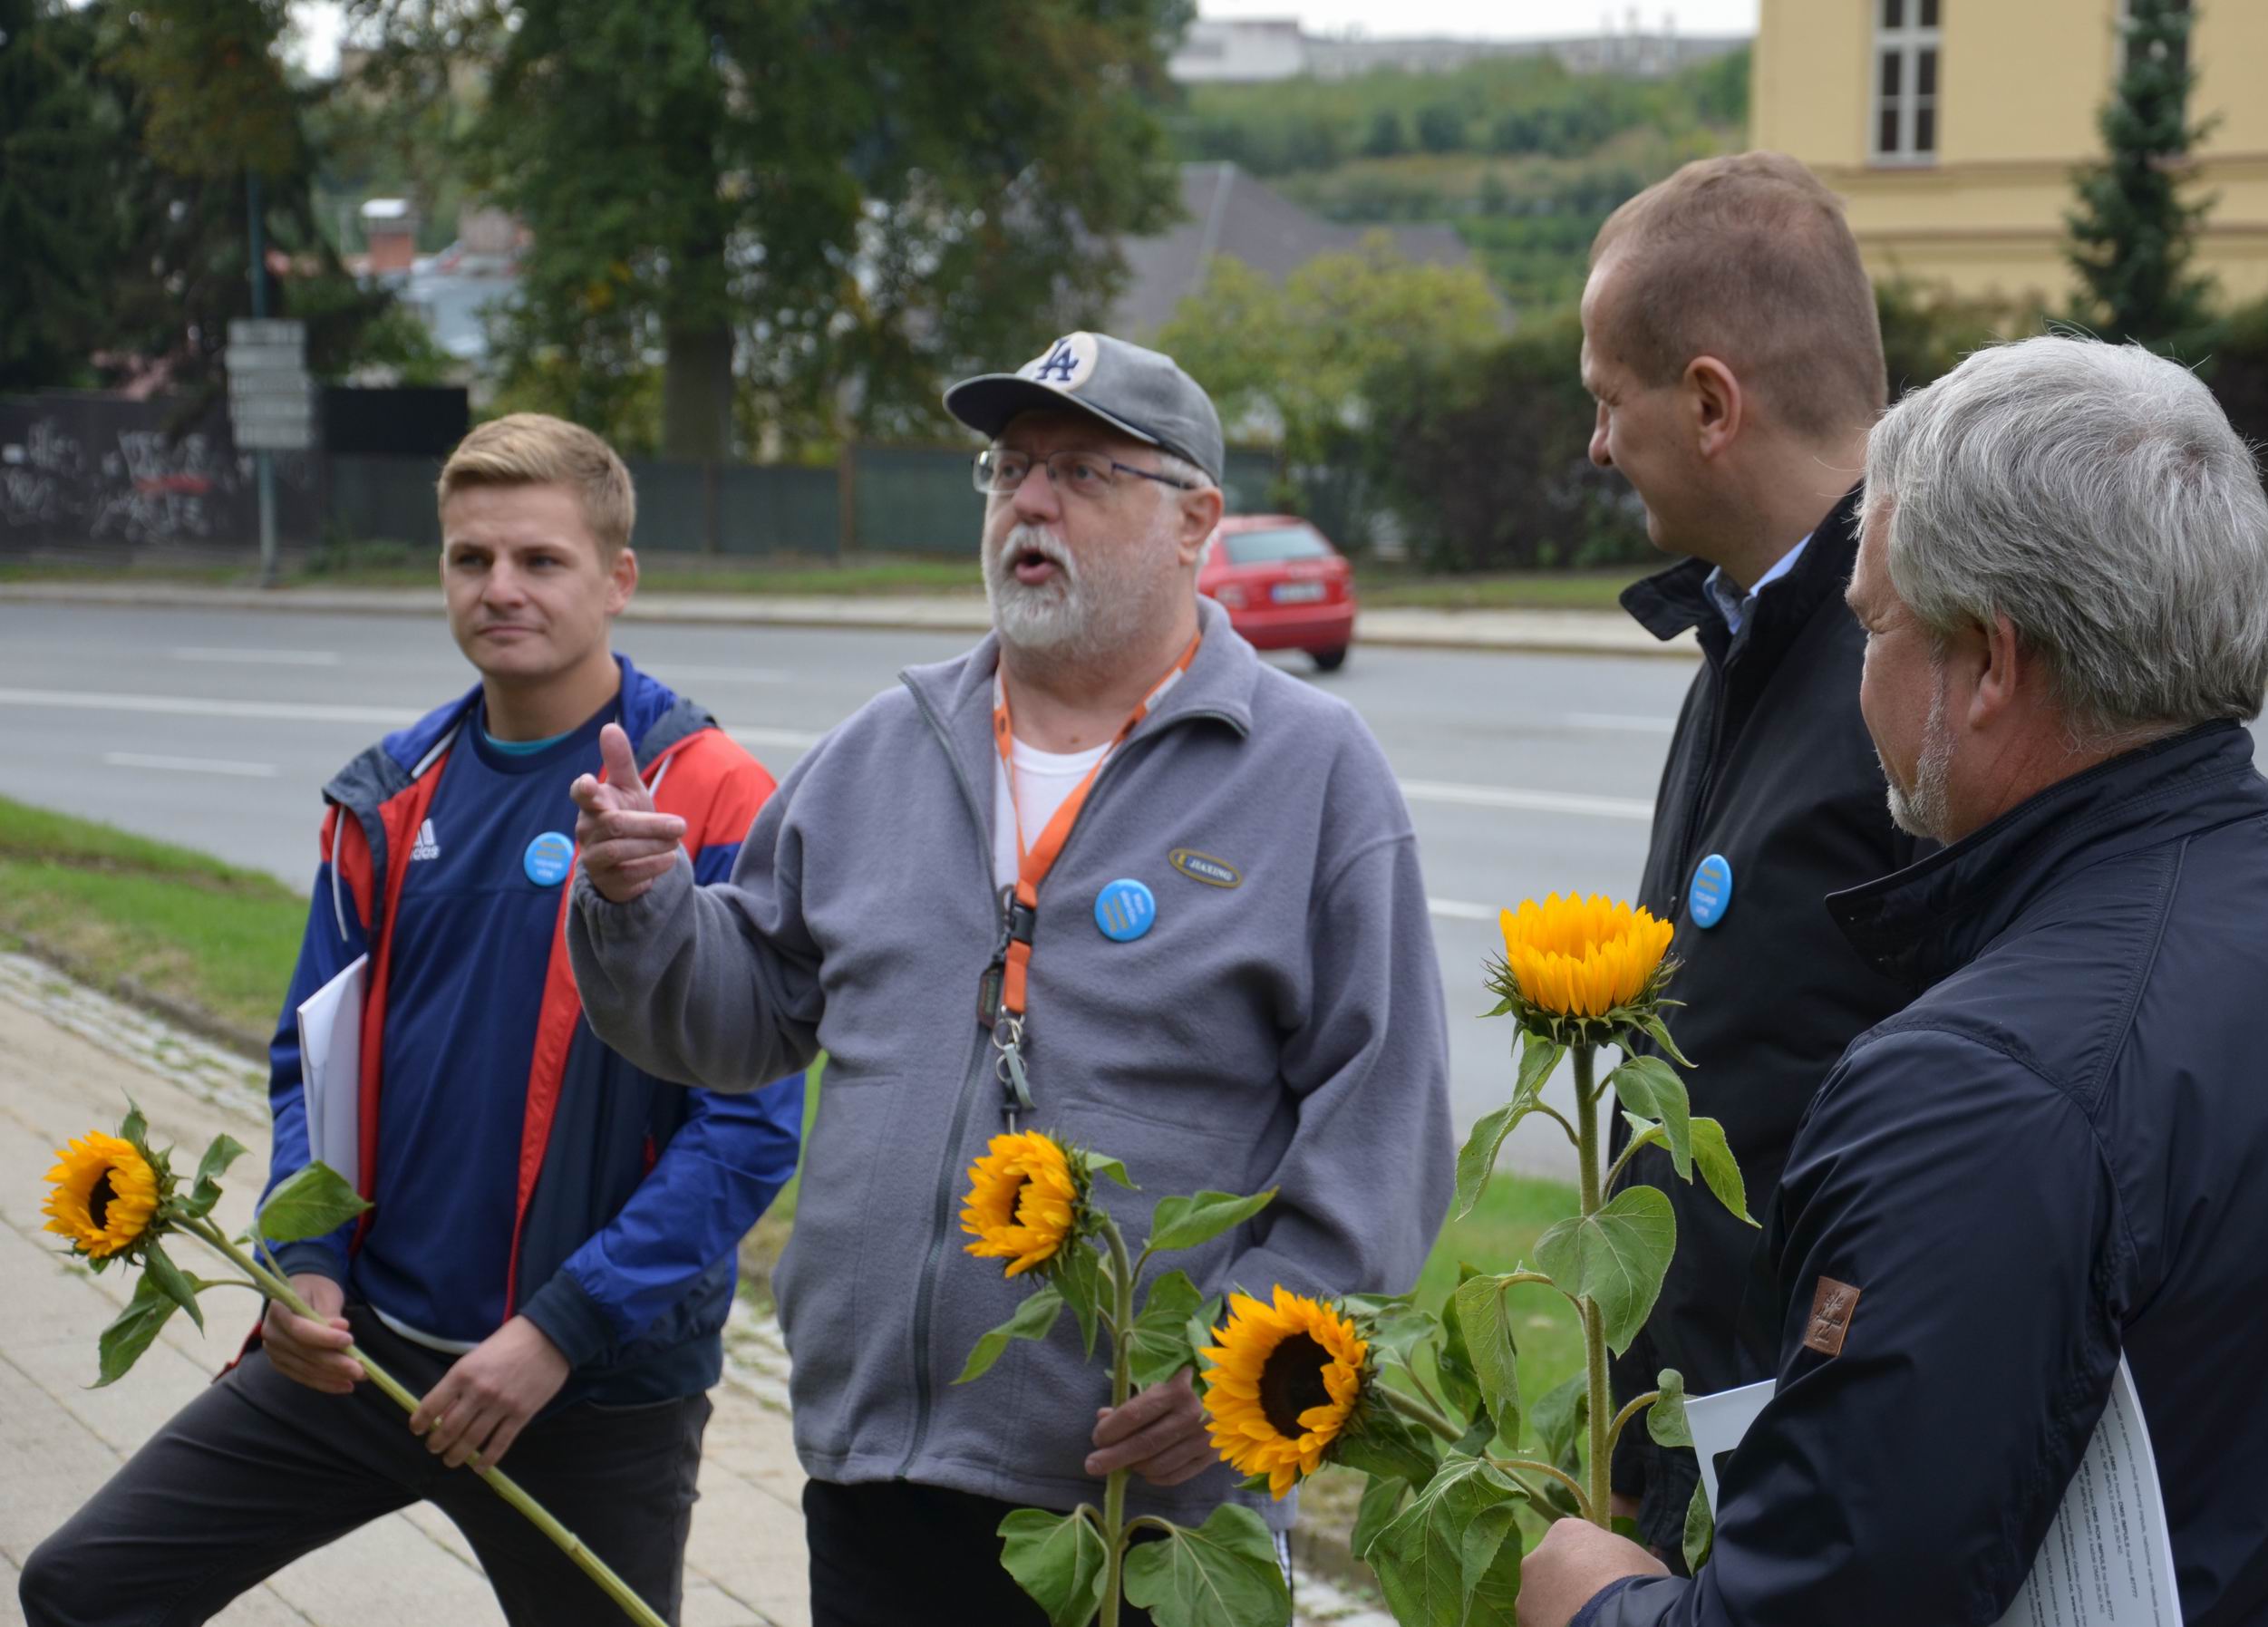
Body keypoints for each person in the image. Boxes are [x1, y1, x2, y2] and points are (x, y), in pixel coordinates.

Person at [1520, 335, 2268, 1626]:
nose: (1862, 680)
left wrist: (1592, 1602)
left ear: (1991, 666)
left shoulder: (1973, 1086)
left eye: (1873, 628)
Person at [562, 331, 1453, 1626]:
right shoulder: (885, 746)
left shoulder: (1309, 771)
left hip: (1148, 1505)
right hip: (877, 1469)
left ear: (1194, 517)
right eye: (1009, 469)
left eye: (1083, 471)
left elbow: (1383, 1123)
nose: (1028, 504)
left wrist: (1256, 1370)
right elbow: (738, 1018)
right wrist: (642, 909)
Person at [21, 414, 806, 1627]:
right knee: (82, 1588)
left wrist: (557, 1331)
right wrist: (308, 1269)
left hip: (588, 1386)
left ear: (618, 578)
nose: (501, 588)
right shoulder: (391, 791)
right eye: (469, 559)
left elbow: (747, 1132)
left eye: (540, 560)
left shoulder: (706, 796)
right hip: (367, 1355)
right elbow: (309, 1059)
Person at [1581, 151, 1924, 1556]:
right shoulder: (1750, 635)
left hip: (1819, 1482)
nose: (1595, 446)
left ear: (1711, 403)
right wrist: (1623, 1431)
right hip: (1703, 1447)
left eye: (1609, 401)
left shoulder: (1907, 682)